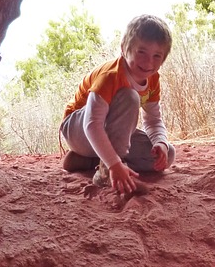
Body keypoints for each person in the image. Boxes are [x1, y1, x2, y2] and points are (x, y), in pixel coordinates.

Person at [60, 14, 175, 196]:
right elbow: (92, 124)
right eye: (141, 52)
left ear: (163, 59)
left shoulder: (153, 79)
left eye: (157, 56)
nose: (148, 62)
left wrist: (160, 143)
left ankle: (88, 161)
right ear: (124, 49)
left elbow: (153, 121)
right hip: (78, 130)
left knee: (167, 154)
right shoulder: (111, 76)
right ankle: (107, 171)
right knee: (130, 97)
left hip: (105, 135)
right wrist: (114, 164)